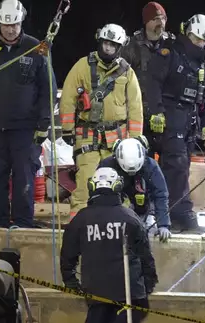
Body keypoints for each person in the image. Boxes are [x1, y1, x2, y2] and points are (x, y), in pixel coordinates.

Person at [0, 0, 57, 228]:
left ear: (21, 21)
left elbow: (49, 89)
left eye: (14, 24)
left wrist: (44, 121)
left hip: (25, 130)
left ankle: (22, 224)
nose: (10, 29)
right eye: (6, 25)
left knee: (24, 179)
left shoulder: (36, 48)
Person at [60, 167, 158, 323]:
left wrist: (70, 282)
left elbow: (67, 255)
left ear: (92, 187)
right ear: (118, 188)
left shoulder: (80, 219)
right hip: (128, 294)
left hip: (95, 292)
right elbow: (146, 257)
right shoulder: (130, 218)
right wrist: (148, 285)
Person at [59, 23, 144, 221]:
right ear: (99, 42)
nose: (108, 48)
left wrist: (135, 140)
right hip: (87, 136)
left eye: (113, 45)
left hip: (117, 141)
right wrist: (67, 129)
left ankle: (119, 226)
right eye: (105, 43)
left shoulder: (127, 73)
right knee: (84, 185)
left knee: (117, 184)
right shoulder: (82, 66)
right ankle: (79, 228)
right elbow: (68, 99)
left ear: (119, 47)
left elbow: (135, 107)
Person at [144, 14, 205, 232]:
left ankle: (172, 212)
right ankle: (179, 212)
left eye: (203, 41)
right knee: (175, 165)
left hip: (189, 120)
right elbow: (152, 83)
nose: (199, 44)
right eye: (196, 39)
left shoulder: (199, 64)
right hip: (170, 116)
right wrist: (156, 112)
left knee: (182, 166)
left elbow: (202, 96)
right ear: (187, 33)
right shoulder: (169, 54)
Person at [121, 2, 175, 157]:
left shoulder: (172, 43)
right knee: (141, 160)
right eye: (156, 19)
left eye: (163, 18)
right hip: (139, 113)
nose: (161, 22)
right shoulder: (131, 45)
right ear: (147, 22)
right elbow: (120, 77)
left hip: (166, 113)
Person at [98, 136, 172, 242]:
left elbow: (161, 195)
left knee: (145, 239)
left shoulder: (151, 166)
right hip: (115, 209)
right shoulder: (106, 166)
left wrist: (163, 224)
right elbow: (98, 195)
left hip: (145, 209)